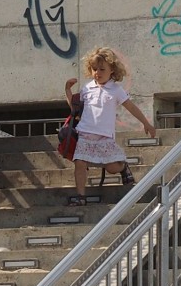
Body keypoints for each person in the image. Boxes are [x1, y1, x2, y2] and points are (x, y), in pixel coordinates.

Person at [64, 47, 157, 206]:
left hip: (104, 136)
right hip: (85, 133)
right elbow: (74, 109)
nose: (97, 73)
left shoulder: (115, 90)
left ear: (111, 70)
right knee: (80, 163)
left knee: (112, 168)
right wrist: (67, 90)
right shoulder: (87, 88)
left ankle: (123, 167)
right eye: (94, 69)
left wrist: (146, 123)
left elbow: (131, 107)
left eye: (102, 69)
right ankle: (81, 196)